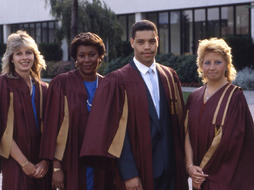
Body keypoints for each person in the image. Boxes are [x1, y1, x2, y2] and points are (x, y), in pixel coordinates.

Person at [80, 20, 188, 190]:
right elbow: (116, 134)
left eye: (152, 41)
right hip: (140, 168)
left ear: (158, 41)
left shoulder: (169, 76)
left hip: (172, 169)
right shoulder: (117, 81)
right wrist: (129, 173)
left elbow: (178, 125)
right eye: (141, 42)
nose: (147, 47)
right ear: (132, 43)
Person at [40, 32, 113, 190]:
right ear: (75, 59)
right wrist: (57, 168)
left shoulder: (107, 85)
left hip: (99, 162)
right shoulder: (61, 84)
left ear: (100, 57)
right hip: (70, 159)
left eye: (92, 55)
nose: (87, 60)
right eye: (82, 55)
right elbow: (52, 128)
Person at [184, 38, 254, 190]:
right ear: (201, 65)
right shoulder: (194, 97)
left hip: (223, 179)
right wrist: (190, 167)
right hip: (198, 178)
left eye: (218, 62)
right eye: (207, 62)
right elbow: (187, 134)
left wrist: (203, 174)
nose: (212, 67)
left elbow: (233, 144)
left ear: (227, 65)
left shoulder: (235, 97)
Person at [0, 30, 50, 190]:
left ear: (35, 56)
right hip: (15, 161)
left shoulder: (43, 88)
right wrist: (24, 163)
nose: (25, 57)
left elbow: (52, 128)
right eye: (18, 53)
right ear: (11, 58)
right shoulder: (1, 86)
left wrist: (46, 161)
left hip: (41, 162)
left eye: (29, 52)